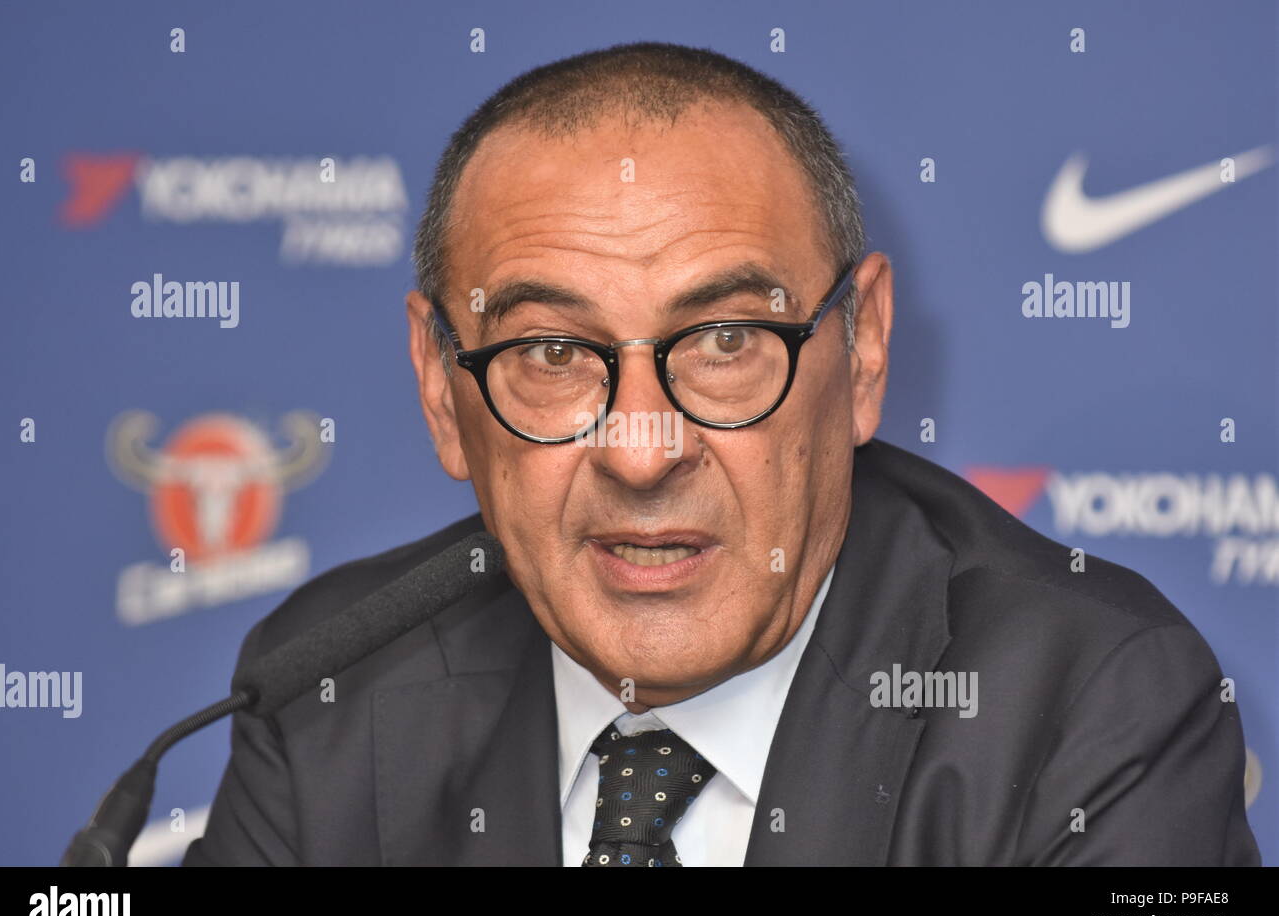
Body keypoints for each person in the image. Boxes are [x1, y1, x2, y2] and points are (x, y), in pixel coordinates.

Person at [183, 41, 1260, 866]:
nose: (644, 452)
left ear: (863, 345)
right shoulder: (329, 689)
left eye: (726, 343)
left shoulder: (1101, 706)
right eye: (554, 351)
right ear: (439, 381)